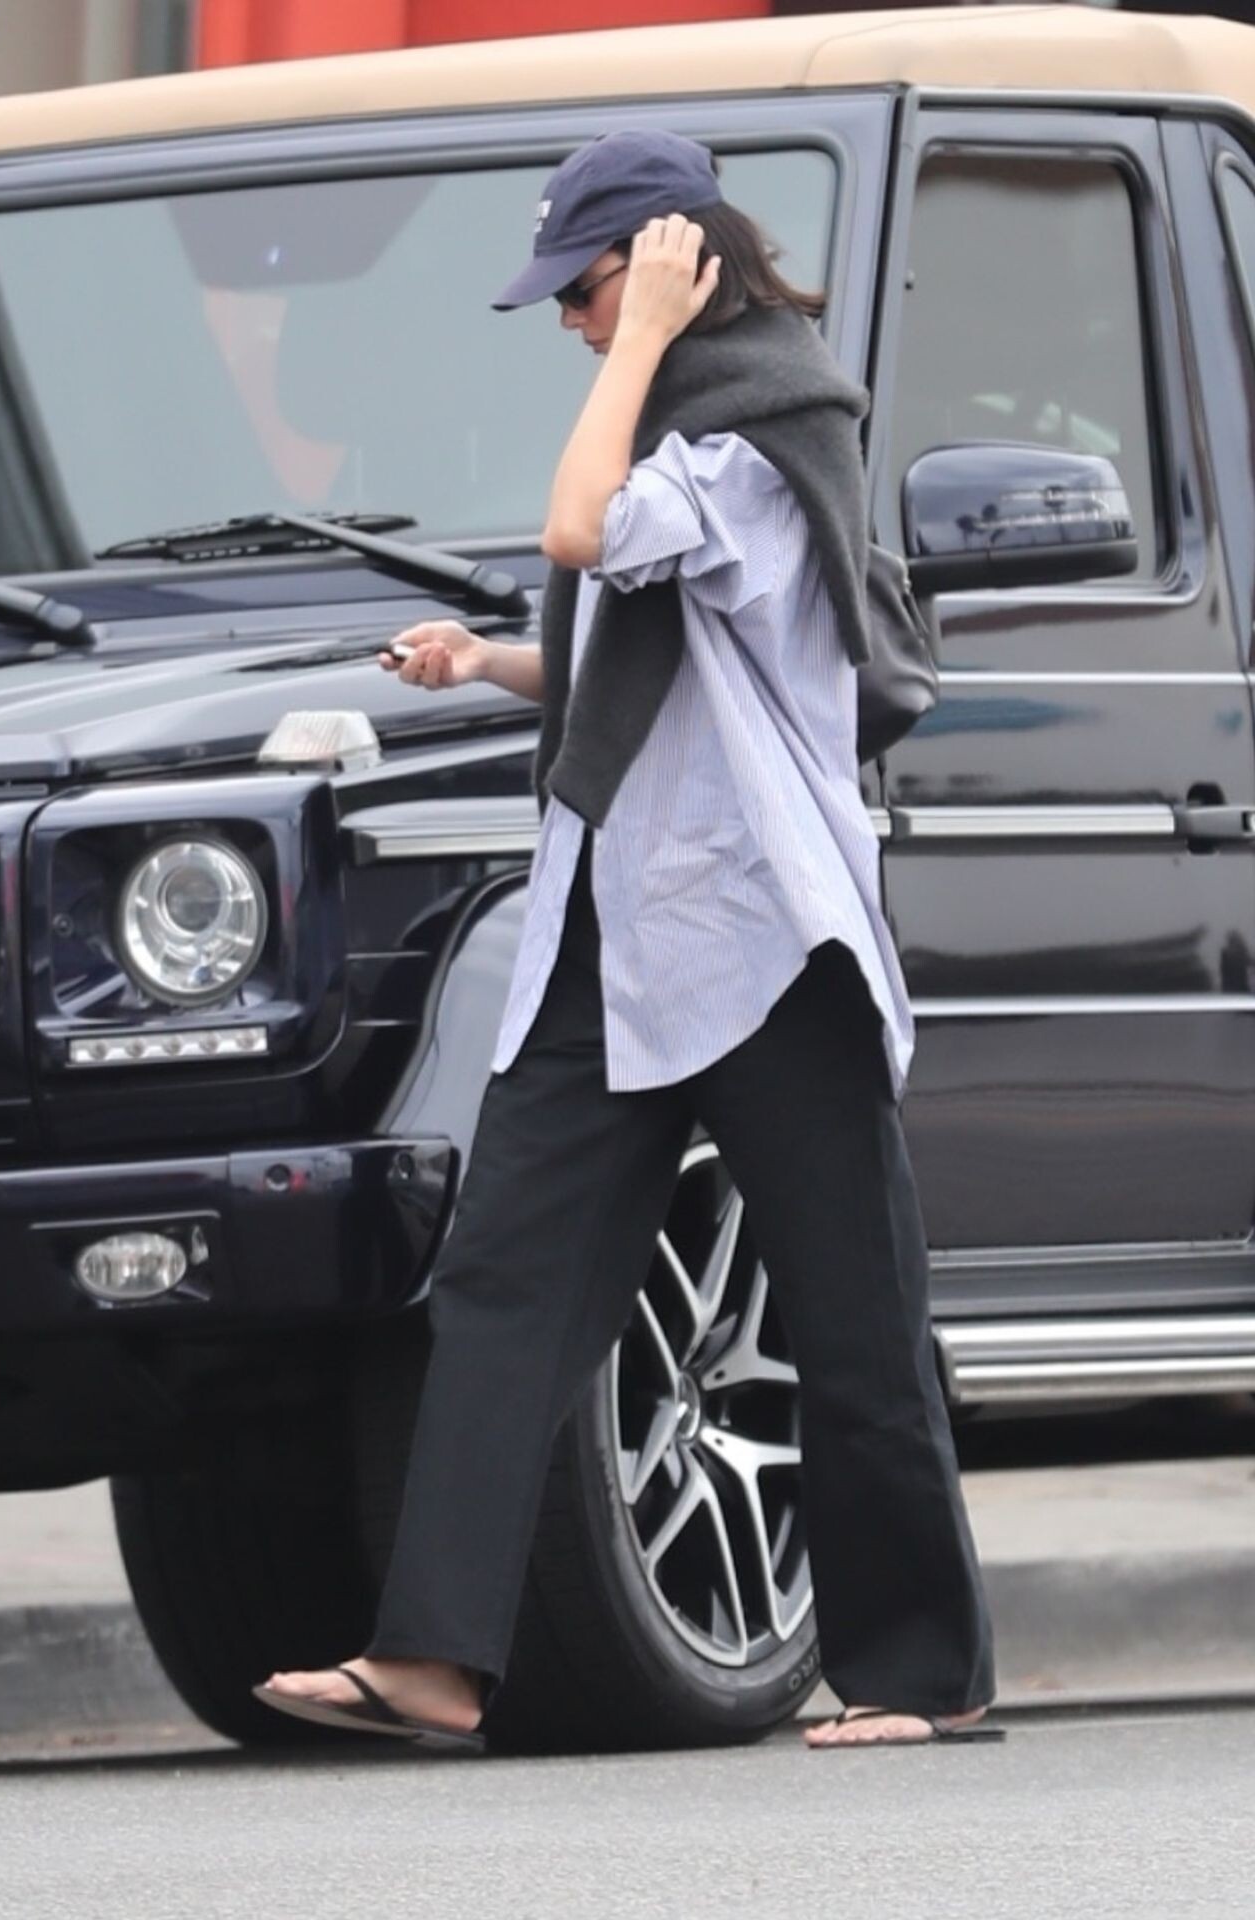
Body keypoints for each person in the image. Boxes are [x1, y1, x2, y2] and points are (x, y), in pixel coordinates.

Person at [255, 128, 999, 1753]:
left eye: (587, 290)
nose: (575, 324)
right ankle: (435, 1658)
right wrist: (490, 666)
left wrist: (649, 334)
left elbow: (588, 533)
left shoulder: (763, 431)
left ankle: (918, 1672)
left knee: (852, 1309)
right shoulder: (672, 429)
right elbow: (641, 642)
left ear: (675, 261)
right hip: (613, 928)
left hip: (759, 934)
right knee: (502, 1285)